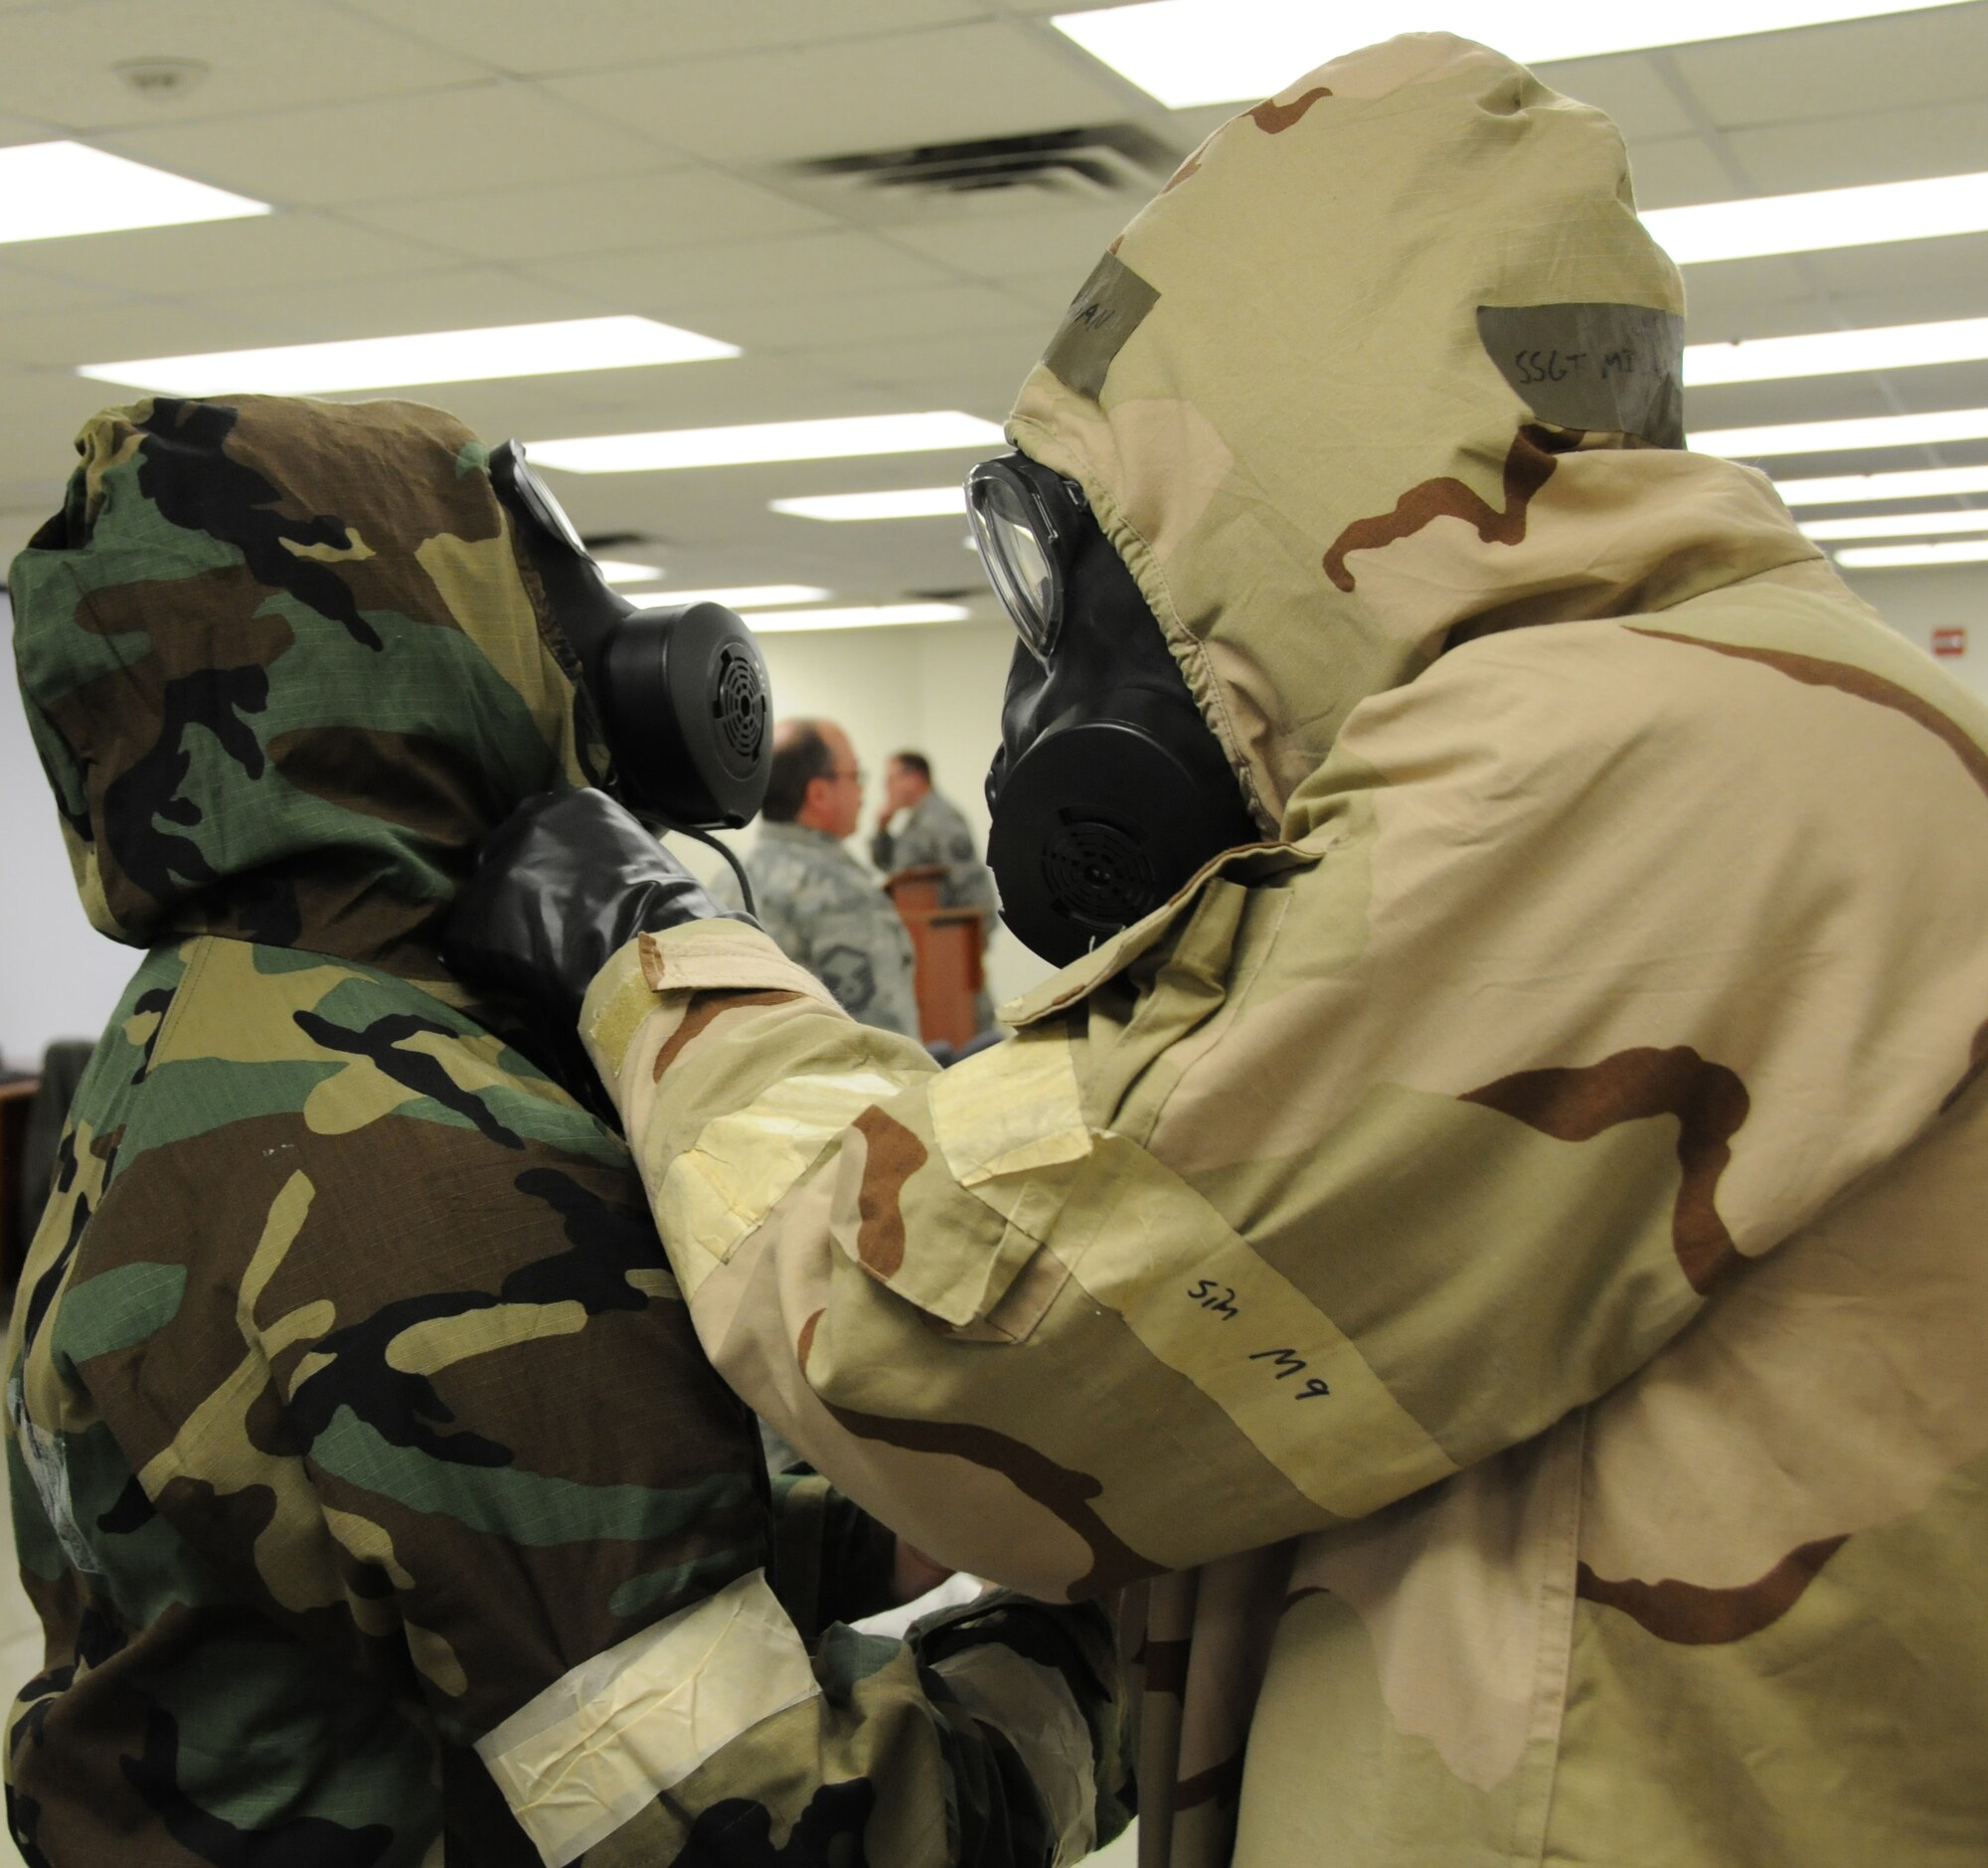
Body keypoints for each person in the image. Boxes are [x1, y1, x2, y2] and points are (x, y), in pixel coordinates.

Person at [446, 34, 1988, 1868]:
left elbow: (951, 1334)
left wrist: (658, 950)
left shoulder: (1626, 760)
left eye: (1105, 546)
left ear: (1273, 480)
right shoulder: (1740, 715)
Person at [4, 395, 1125, 1864]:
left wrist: (867, 1529)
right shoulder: (426, 1157)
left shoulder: (207, 1035)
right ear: (433, 654)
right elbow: (773, 1826)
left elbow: (431, 1535)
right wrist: (1118, 1650)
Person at [712, 718, 923, 1039]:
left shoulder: (726, 882)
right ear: (819, 794)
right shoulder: (841, 893)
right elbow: (882, 1042)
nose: (863, 791)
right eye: (855, 776)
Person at [872, 752, 1000, 1033]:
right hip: (932, 947)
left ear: (915, 778)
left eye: (891, 779)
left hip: (951, 944)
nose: (886, 788)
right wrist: (881, 828)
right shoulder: (915, 821)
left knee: (971, 1021)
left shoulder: (940, 818)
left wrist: (974, 940)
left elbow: (967, 880)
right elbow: (890, 868)